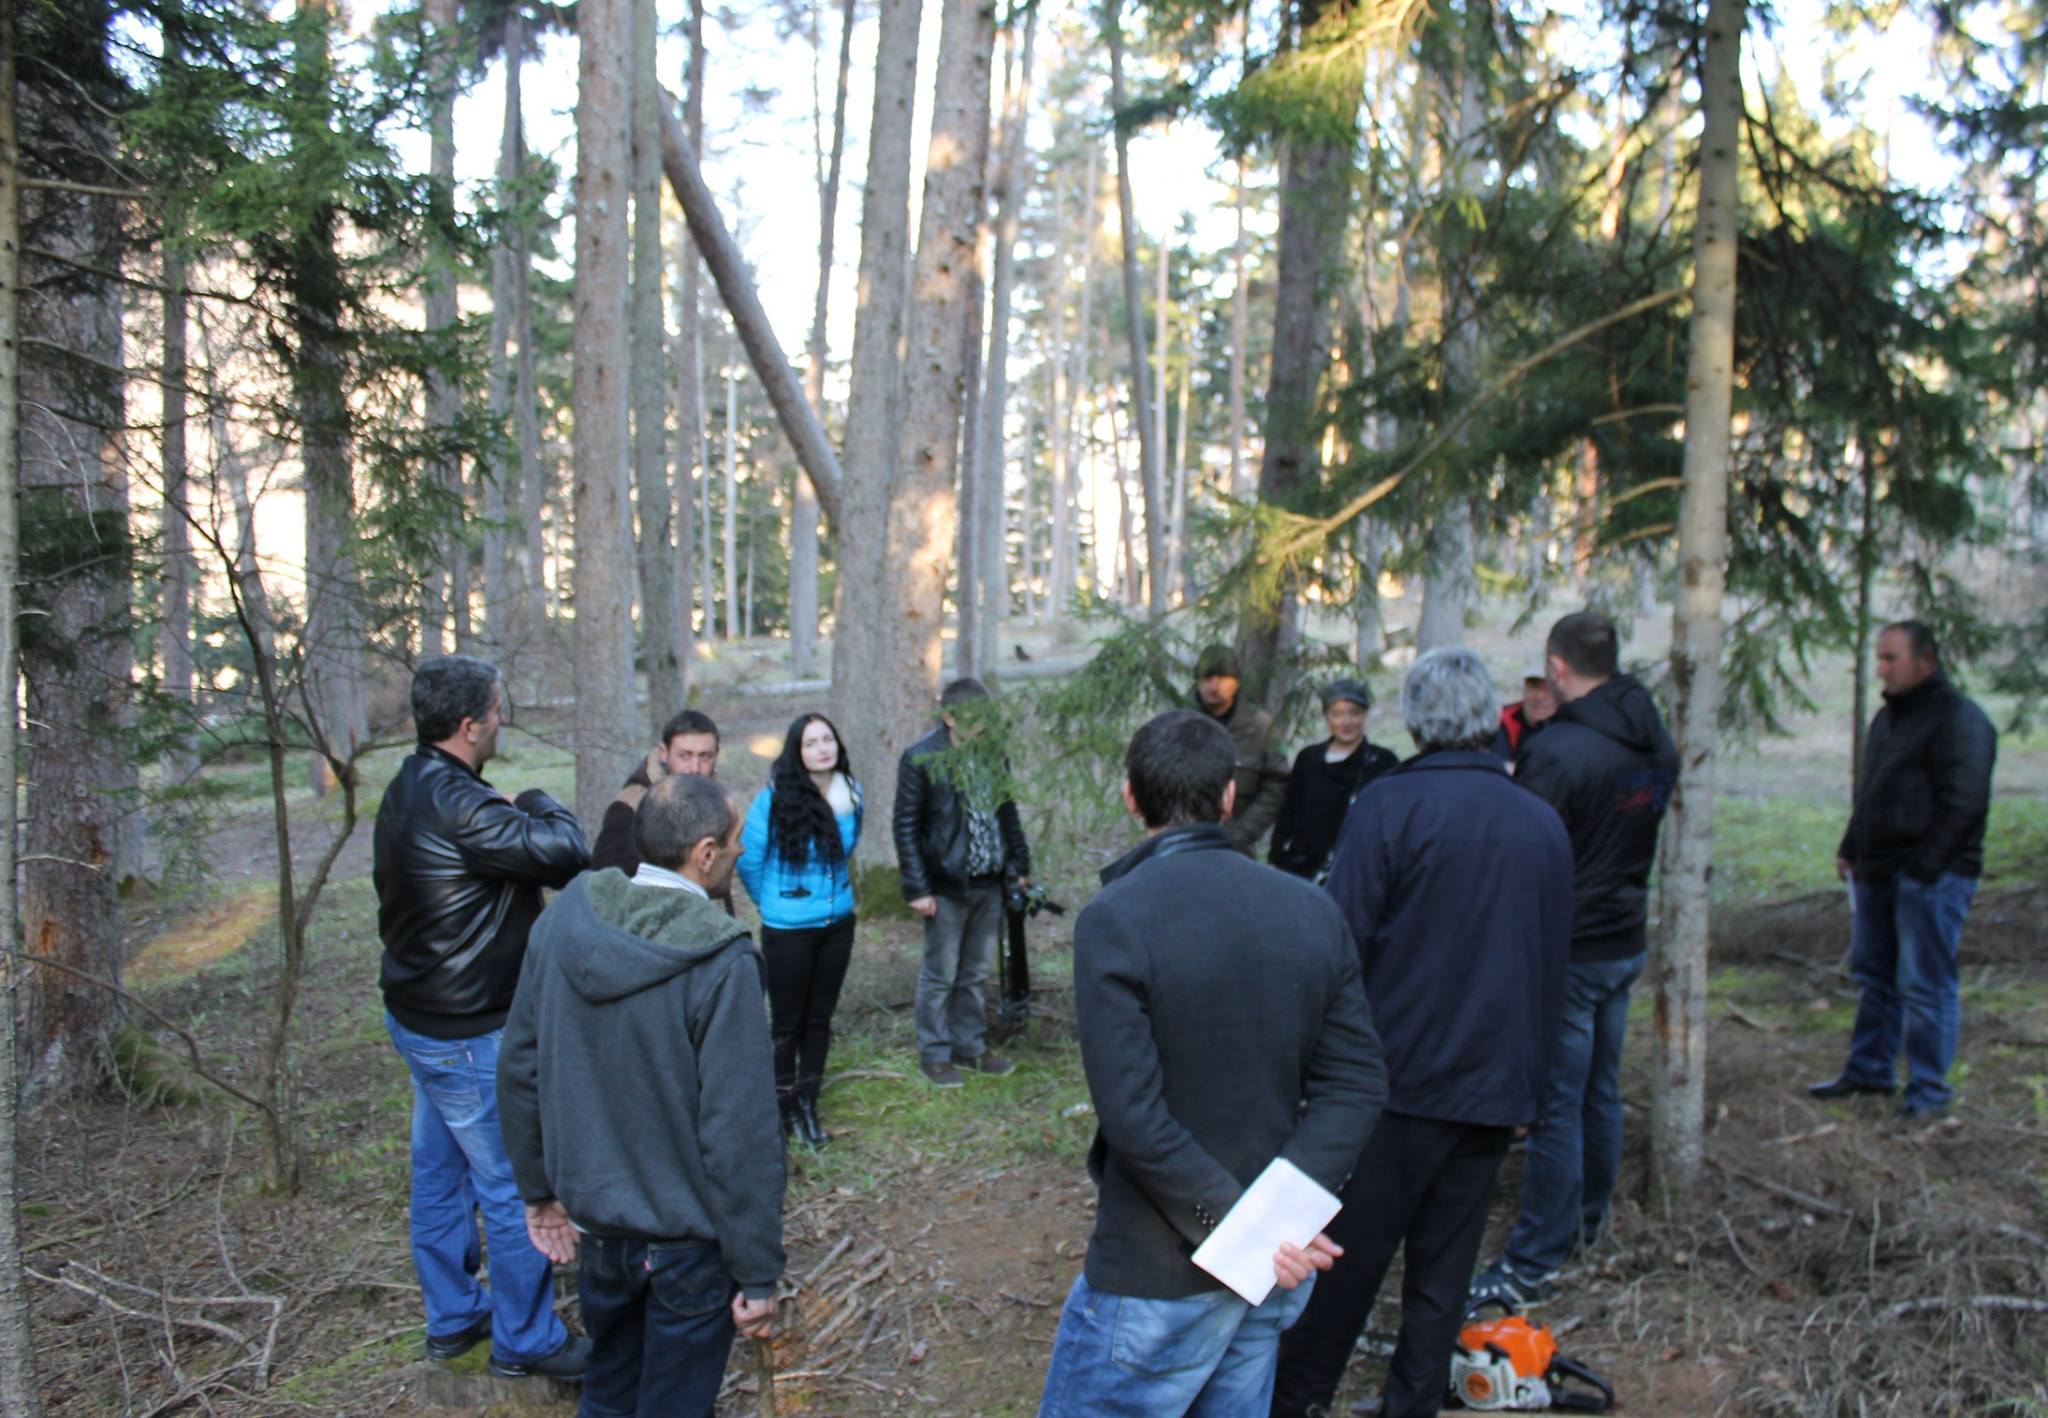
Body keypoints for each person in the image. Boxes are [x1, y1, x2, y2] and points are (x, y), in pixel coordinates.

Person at [1037, 710, 1387, 1417]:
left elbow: (1133, 1115)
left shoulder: (1115, 918)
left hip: (1165, 1270)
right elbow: (1356, 1081)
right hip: (1267, 1259)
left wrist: (1250, 1229)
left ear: (1131, 797)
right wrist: (1274, 1221)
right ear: (1230, 796)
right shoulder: (1309, 907)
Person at [1271, 650, 1573, 1418]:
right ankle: (1409, 1404)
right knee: (1444, 1272)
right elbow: (1553, 969)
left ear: (1414, 719)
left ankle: (1297, 1401)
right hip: (1492, 1085)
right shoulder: (1539, 821)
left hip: (1396, 1086)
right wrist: (1534, 1092)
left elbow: (1340, 943)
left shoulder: (1388, 806)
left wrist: (1313, 1071)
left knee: (1346, 1264)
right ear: (1486, 718)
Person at [498, 774, 784, 1418]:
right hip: (686, 1247)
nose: (742, 851)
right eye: (736, 840)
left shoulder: (562, 922)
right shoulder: (724, 963)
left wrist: (538, 1192)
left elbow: (519, 1066)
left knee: (608, 1394)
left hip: (597, 1231)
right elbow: (739, 1131)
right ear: (705, 853)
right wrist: (758, 1269)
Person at [373, 654, 591, 1379]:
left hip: (423, 1019)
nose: (504, 721)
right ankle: (526, 1340)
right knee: (509, 1182)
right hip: (466, 1033)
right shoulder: (460, 803)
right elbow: (567, 852)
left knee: (439, 1172)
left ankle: (454, 1316)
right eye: (498, 711)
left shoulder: (410, 784)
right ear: (470, 726)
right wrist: (537, 798)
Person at [1468, 612, 1676, 1312]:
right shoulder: (1650, 734)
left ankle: (1534, 1258)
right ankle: (1589, 1223)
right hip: (1623, 937)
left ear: (1558, 667)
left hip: (1573, 946)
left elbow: (1519, 845)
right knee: (1599, 1091)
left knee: (1557, 1104)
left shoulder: (1558, 750)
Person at [1809, 620, 1997, 1121]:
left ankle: (1929, 1092)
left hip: (1931, 878)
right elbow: (1873, 791)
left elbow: (1965, 803)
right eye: (1879, 658)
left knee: (1926, 983)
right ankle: (1870, 1071)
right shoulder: (1888, 719)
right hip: (1878, 871)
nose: (1882, 669)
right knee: (1876, 976)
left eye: (1891, 659)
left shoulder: (1959, 720)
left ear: (1925, 662)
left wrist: (1924, 868)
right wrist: (1852, 846)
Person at [893, 678, 1033, 1088]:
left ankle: (969, 1045)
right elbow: (906, 826)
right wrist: (917, 888)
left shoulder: (992, 754)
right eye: (972, 718)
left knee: (974, 971)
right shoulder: (921, 758)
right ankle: (935, 1054)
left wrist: (1020, 864)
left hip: (989, 882)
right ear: (949, 717)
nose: (981, 726)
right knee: (941, 973)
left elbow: (1007, 812)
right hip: (945, 885)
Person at [736, 712, 862, 1147]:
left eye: (828, 739)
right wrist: (772, 903)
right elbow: (750, 862)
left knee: (819, 1018)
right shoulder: (771, 801)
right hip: (787, 930)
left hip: (837, 924)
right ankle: (783, 1105)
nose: (822, 749)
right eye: (811, 743)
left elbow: (846, 852)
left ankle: (808, 1100)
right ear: (796, 751)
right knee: (787, 1023)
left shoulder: (851, 794)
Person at [587, 709, 727, 911]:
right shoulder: (631, 806)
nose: (695, 768)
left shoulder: (712, 797)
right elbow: (604, 882)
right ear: (663, 753)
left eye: (705, 756)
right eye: (684, 756)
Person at [1268, 678, 1400, 881]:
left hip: (1358, 872)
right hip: (1303, 873)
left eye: (1354, 713)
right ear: (1326, 716)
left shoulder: (1383, 762)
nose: (1346, 722)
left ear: (1364, 714)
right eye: (1337, 713)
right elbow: (1288, 814)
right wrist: (1276, 858)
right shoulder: (1308, 759)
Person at [1191, 644, 1291, 855]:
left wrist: (1243, 832)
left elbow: (1277, 783)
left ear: (1236, 681)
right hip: (1184, 841)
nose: (1214, 686)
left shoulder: (1260, 727)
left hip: (1236, 847)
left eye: (1222, 678)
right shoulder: (1178, 723)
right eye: (1207, 678)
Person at [1490, 671, 1557, 764]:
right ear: (1524, 688)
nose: (1540, 696)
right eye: (1535, 686)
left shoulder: (1571, 727)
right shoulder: (1498, 720)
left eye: (1549, 688)